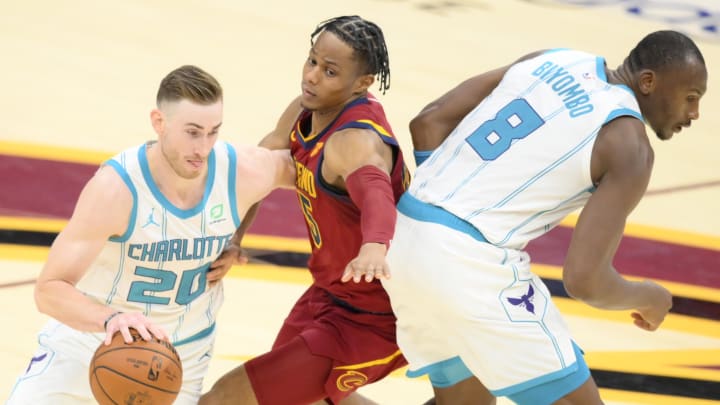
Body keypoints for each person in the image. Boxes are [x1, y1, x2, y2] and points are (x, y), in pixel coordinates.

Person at [353, 30, 706, 405]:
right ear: (648, 82)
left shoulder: (552, 58)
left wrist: (444, 209)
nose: (694, 114)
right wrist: (649, 296)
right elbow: (586, 281)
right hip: (470, 265)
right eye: (691, 98)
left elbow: (429, 121)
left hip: (404, 239)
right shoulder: (630, 145)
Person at [7, 65, 296, 404]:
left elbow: (328, 171)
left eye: (213, 132)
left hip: (176, 359)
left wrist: (235, 239)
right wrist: (112, 318)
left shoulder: (240, 170)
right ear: (159, 122)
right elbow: (49, 291)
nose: (203, 148)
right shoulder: (117, 189)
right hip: (89, 343)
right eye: (192, 132)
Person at [200, 15, 410, 405]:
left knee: (223, 401)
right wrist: (234, 238)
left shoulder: (355, 140)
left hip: (372, 319)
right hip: (328, 295)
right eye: (312, 61)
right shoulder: (305, 110)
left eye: (330, 71)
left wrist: (374, 247)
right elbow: (258, 169)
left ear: (362, 83)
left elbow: (378, 195)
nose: (312, 77)